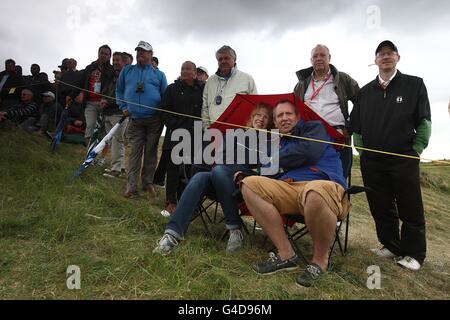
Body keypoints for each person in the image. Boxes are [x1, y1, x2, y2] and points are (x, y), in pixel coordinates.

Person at [240, 100, 348, 287]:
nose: (284, 118)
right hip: (289, 188)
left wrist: (273, 160)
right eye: (279, 116)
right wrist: (245, 172)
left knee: (315, 191)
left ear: (297, 117)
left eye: (288, 114)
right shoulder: (277, 143)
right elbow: (265, 170)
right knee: (249, 184)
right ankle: (285, 254)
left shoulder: (314, 128)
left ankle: (319, 262)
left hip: (323, 183)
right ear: (275, 122)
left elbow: (309, 152)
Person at [350, 40, 431, 271]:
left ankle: (414, 254)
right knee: (380, 205)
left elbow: (424, 120)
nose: (385, 57)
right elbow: (356, 127)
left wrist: (416, 148)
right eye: (381, 54)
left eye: (390, 53)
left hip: (404, 158)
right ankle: (391, 245)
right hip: (372, 161)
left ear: (397, 58)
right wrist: (362, 151)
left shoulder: (414, 85)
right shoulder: (364, 92)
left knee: (410, 206)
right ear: (375, 60)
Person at [153, 103, 273, 255]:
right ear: (252, 117)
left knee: (219, 170)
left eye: (266, 117)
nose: (261, 119)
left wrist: (243, 171)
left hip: (243, 187)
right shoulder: (235, 134)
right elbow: (220, 158)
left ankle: (235, 230)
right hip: (219, 178)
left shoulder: (268, 142)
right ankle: (171, 235)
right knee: (200, 177)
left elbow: (266, 172)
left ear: (270, 122)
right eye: (258, 115)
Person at [294, 44, 359, 178]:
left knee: (338, 179)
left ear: (329, 58)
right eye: (315, 56)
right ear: (311, 61)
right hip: (310, 137)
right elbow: (293, 110)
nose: (319, 58)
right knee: (311, 177)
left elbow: (361, 102)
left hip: (337, 136)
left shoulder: (343, 79)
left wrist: (350, 127)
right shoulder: (301, 84)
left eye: (322, 55)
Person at [116, 41, 168, 199]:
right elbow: (119, 90)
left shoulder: (159, 75)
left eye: (144, 51)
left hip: (154, 120)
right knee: (134, 153)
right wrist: (122, 105)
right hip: (135, 119)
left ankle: (147, 184)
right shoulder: (127, 70)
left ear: (151, 54)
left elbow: (165, 96)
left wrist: (163, 115)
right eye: (138, 51)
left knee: (151, 153)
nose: (140, 54)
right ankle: (131, 186)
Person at [159, 61, 204, 216]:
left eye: (188, 69)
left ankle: (190, 204)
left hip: (197, 136)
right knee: (173, 170)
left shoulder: (203, 89)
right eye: (182, 68)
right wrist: (174, 124)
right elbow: (163, 110)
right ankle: (171, 202)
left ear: (195, 72)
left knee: (192, 170)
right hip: (176, 136)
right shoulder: (172, 88)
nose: (184, 71)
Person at [201, 45, 257, 129]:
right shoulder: (210, 81)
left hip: (241, 132)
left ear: (234, 59)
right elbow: (205, 107)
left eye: (226, 58)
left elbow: (255, 106)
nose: (223, 61)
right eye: (220, 59)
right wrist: (207, 129)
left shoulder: (247, 78)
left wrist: (250, 128)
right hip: (216, 132)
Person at [71, 45, 115, 147]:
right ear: (98, 53)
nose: (103, 55)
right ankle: (88, 152)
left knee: (102, 129)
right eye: (101, 53)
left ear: (109, 56)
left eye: (106, 54)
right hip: (90, 102)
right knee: (90, 125)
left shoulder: (111, 70)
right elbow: (80, 83)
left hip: (104, 103)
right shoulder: (90, 67)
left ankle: (98, 153)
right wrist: (73, 95)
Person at [100, 52, 128, 178]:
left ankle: (116, 169)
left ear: (124, 62)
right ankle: (120, 167)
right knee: (112, 141)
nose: (115, 62)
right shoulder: (111, 75)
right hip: (108, 112)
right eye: (114, 60)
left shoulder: (127, 76)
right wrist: (103, 99)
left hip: (119, 113)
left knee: (117, 140)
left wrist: (108, 101)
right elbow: (106, 91)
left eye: (118, 60)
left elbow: (124, 96)